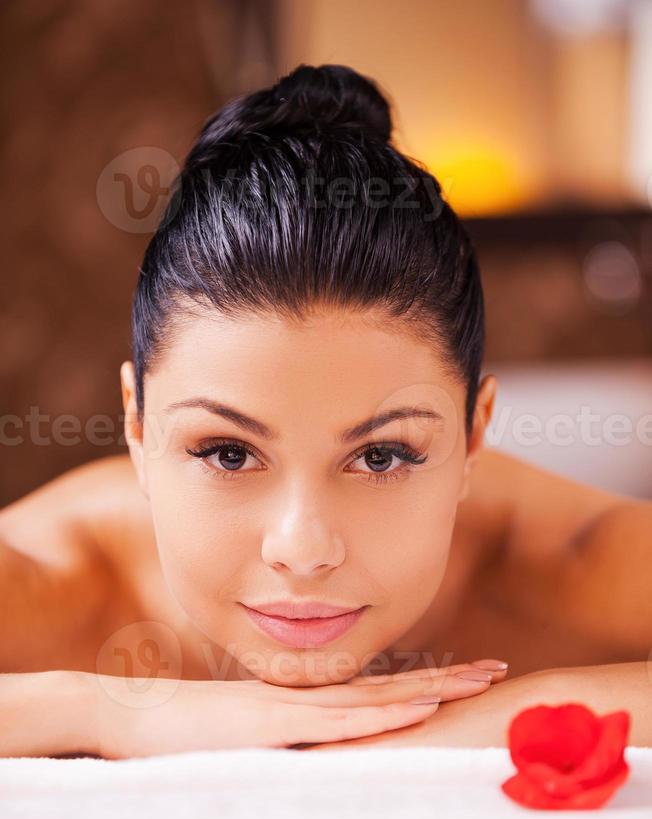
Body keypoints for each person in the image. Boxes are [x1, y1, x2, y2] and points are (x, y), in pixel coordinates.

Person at [1, 64, 651, 760]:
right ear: (136, 425)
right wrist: (112, 714)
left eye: (380, 456)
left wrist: (495, 712)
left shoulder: (578, 568)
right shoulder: (45, 579)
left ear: (473, 432)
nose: (304, 550)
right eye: (228, 452)